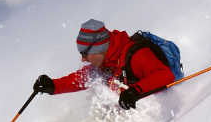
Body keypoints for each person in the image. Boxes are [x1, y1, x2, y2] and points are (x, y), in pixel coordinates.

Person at [33, 19, 177, 109]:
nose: (83, 59)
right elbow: (80, 79)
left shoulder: (136, 56)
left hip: (165, 118)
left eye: (85, 54)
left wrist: (135, 91)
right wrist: (53, 85)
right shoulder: (105, 63)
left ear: (99, 50)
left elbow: (164, 75)